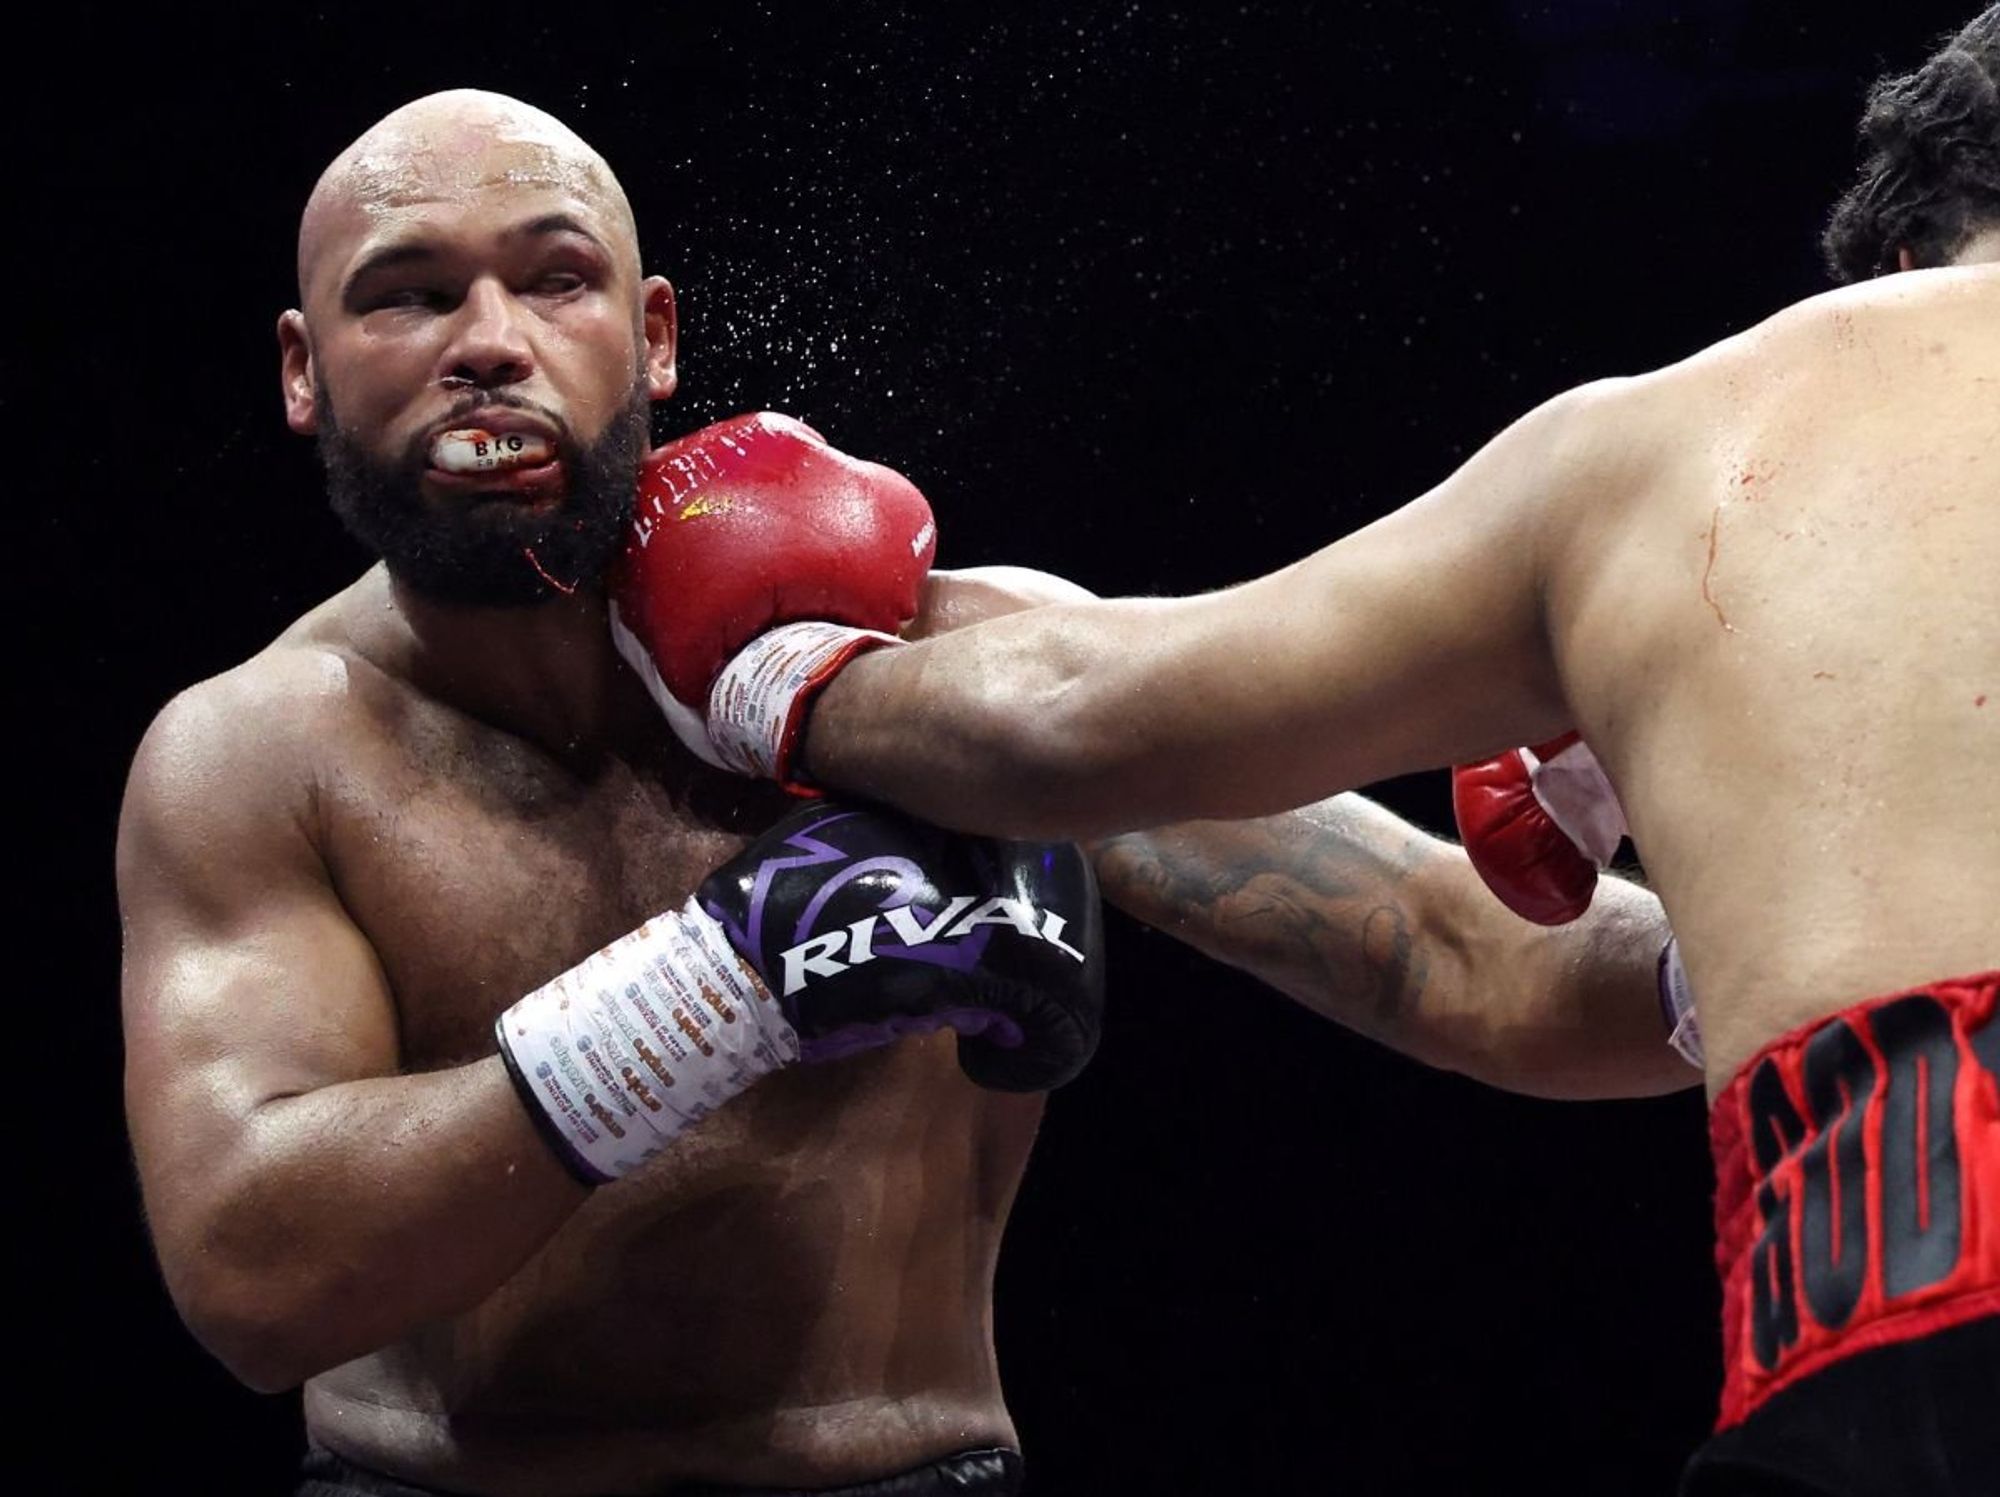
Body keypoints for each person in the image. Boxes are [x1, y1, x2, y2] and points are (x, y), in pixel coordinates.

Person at [118, 88, 1695, 1497]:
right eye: (405, 295)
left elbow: (1455, 955)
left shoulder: (924, 676)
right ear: (302, 368)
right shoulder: (261, 755)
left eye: (554, 276)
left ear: (651, 334)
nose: (488, 339)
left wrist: (1800, 946)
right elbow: (257, 1277)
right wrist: (720, 986)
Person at [632, 12, 2000, 1495]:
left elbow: (1076, 719)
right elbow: (1476, 964)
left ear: (1904, 275)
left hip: (1909, 1337)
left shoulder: (1709, 440)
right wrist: (1719, 951)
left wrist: (781, 674)